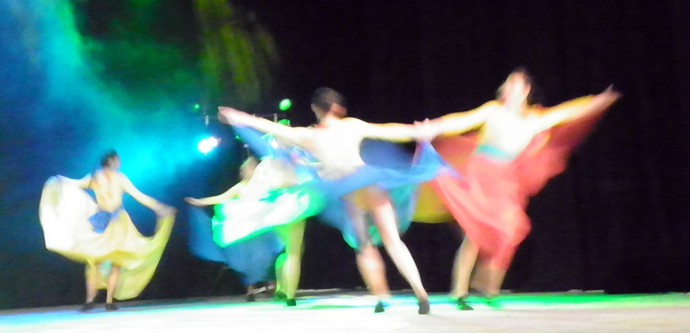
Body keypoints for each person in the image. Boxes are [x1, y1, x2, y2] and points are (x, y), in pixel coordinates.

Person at [218, 87, 444, 315]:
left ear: (315, 109)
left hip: (350, 191)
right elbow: (389, 130)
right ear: (338, 108)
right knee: (393, 242)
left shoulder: (310, 136)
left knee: (364, 247)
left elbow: (271, 127)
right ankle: (420, 293)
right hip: (371, 181)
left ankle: (381, 297)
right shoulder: (352, 125)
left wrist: (238, 117)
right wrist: (419, 131)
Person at [415, 69, 619, 310]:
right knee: (475, 234)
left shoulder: (535, 119)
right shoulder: (493, 111)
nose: (510, 89)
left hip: (504, 179)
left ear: (526, 91)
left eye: (517, 85)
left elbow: (567, 112)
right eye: (508, 84)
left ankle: (488, 288)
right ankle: (459, 292)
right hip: (482, 173)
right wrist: (434, 126)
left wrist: (598, 101)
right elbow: (461, 120)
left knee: (510, 230)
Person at [39, 150, 177, 311]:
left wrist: (159, 207)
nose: (119, 162)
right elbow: (75, 184)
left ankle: (109, 301)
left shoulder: (119, 178)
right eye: (117, 159)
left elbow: (139, 196)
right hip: (103, 221)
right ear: (111, 161)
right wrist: (59, 180)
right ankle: (90, 300)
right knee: (95, 261)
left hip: (118, 223)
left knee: (115, 261)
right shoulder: (95, 177)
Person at [186, 154, 305, 304]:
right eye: (243, 169)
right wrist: (201, 202)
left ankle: (280, 288)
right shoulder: (245, 185)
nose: (244, 171)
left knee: (283, 254)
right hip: (255, 228)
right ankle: (267, 291)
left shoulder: (264, 179)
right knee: (278, 255)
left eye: (248, 168)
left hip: (267, 227)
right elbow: (222, 197)